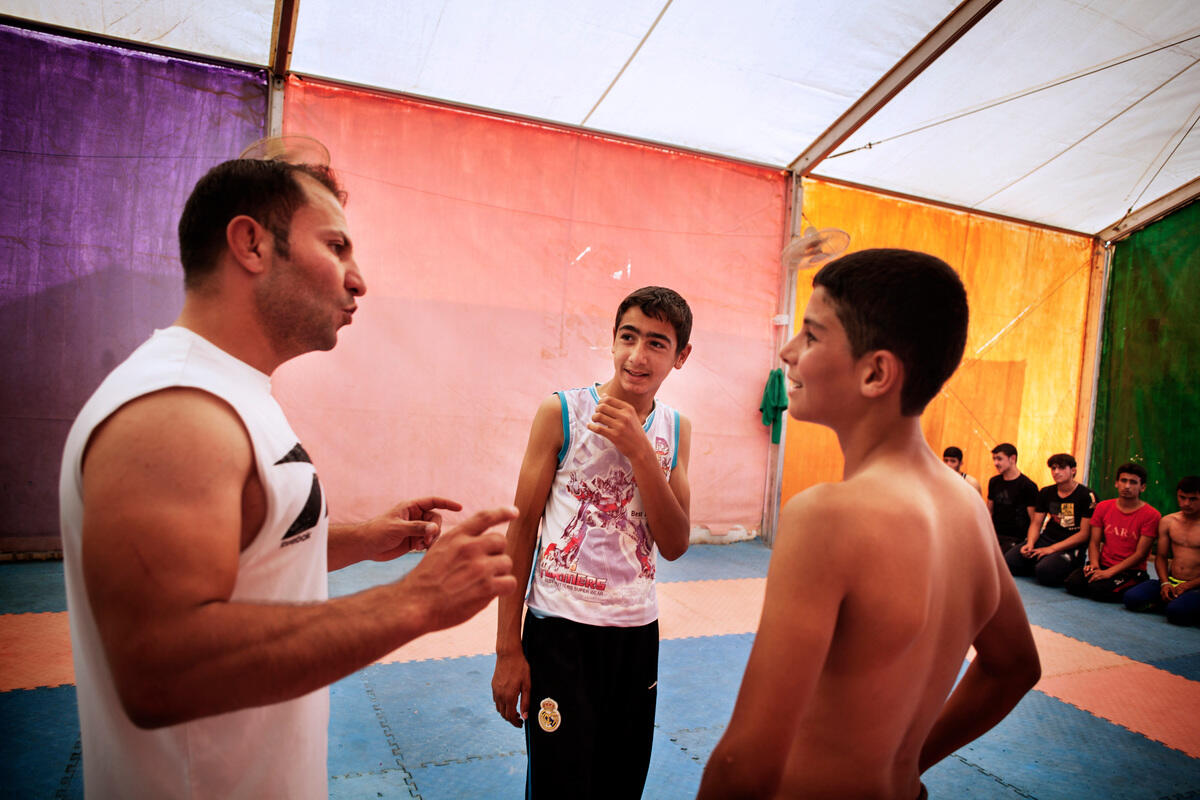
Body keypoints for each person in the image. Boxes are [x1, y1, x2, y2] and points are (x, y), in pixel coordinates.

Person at [58, 157, 518, 799]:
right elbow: (159, 667)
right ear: (251, 243)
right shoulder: (176, 411)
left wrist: (361, 539)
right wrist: (417, 600)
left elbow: (244, 546)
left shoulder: (232, 392)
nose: (358, 280)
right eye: (335, 246)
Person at [697, 249, 1040, 799]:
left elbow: (746, 761)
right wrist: (906, 765)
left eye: (810, 335)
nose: (788, 351)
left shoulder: (828, 517)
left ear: (876, 372)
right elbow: (1015, 669)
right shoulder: (967, 505)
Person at [490, 286, 693, 799]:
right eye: (628, 337)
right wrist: (507, 648)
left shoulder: (675, 428)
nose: (637, 355)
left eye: (656, 343)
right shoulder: (562, 412)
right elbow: (522, 531)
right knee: (561, 785)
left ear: (681, 356)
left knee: (621, 784)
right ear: (613, 340)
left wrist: (641, 452)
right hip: (560, 630)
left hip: (634, 634)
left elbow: (674, 542)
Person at [1064, 462, 1160, 602]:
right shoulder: (1103, 507)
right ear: (1116, 483)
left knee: (1098, 591)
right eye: (1123, 480)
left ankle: (1136, 584)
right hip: (1103, 564)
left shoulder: (1151, 515)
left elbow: (1140, 554)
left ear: (1142, 487)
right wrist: (1094, 564)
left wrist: (1109, 573)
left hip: (1130, 571)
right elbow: (1094, 542)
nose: (1127, 486)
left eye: (1133, 482)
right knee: (1073, 584)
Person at [1004, 453, 1096, 587]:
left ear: (1073, 470)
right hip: (1046, 539)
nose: (1056, 472)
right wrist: (1030, 543)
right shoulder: (1046, 492)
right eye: (1053, 468)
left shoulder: (1087, 496)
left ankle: (1051, 564)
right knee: (1009, 561)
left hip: (1070, 546)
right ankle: (1041, 562)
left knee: (1045, 572)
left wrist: (1051, 549)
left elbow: (1084, 534)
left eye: (1062, 468)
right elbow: (1036, 523)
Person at [1123, 476, 1200, 625]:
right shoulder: (1168, 521)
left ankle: (1176, 604)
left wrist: (1188, 586)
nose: (1186, 503)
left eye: (1193, 499)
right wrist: (1165, 583)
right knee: (1131, 599)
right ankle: (1173, 601)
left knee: (1176, 613)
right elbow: (1161, 557)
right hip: (1172, 581)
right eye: (1182, 498)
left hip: (1196, 585)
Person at [987, 443, 1039, 551]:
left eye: (999, 459)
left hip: (1016, 538)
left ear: (1012, 459)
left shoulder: (1028, 485)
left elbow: (1034, 520)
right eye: (994, 459)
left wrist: (1029, 542)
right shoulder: (994, 482)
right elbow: (989, 511)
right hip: (995, 535)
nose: (995, 463)